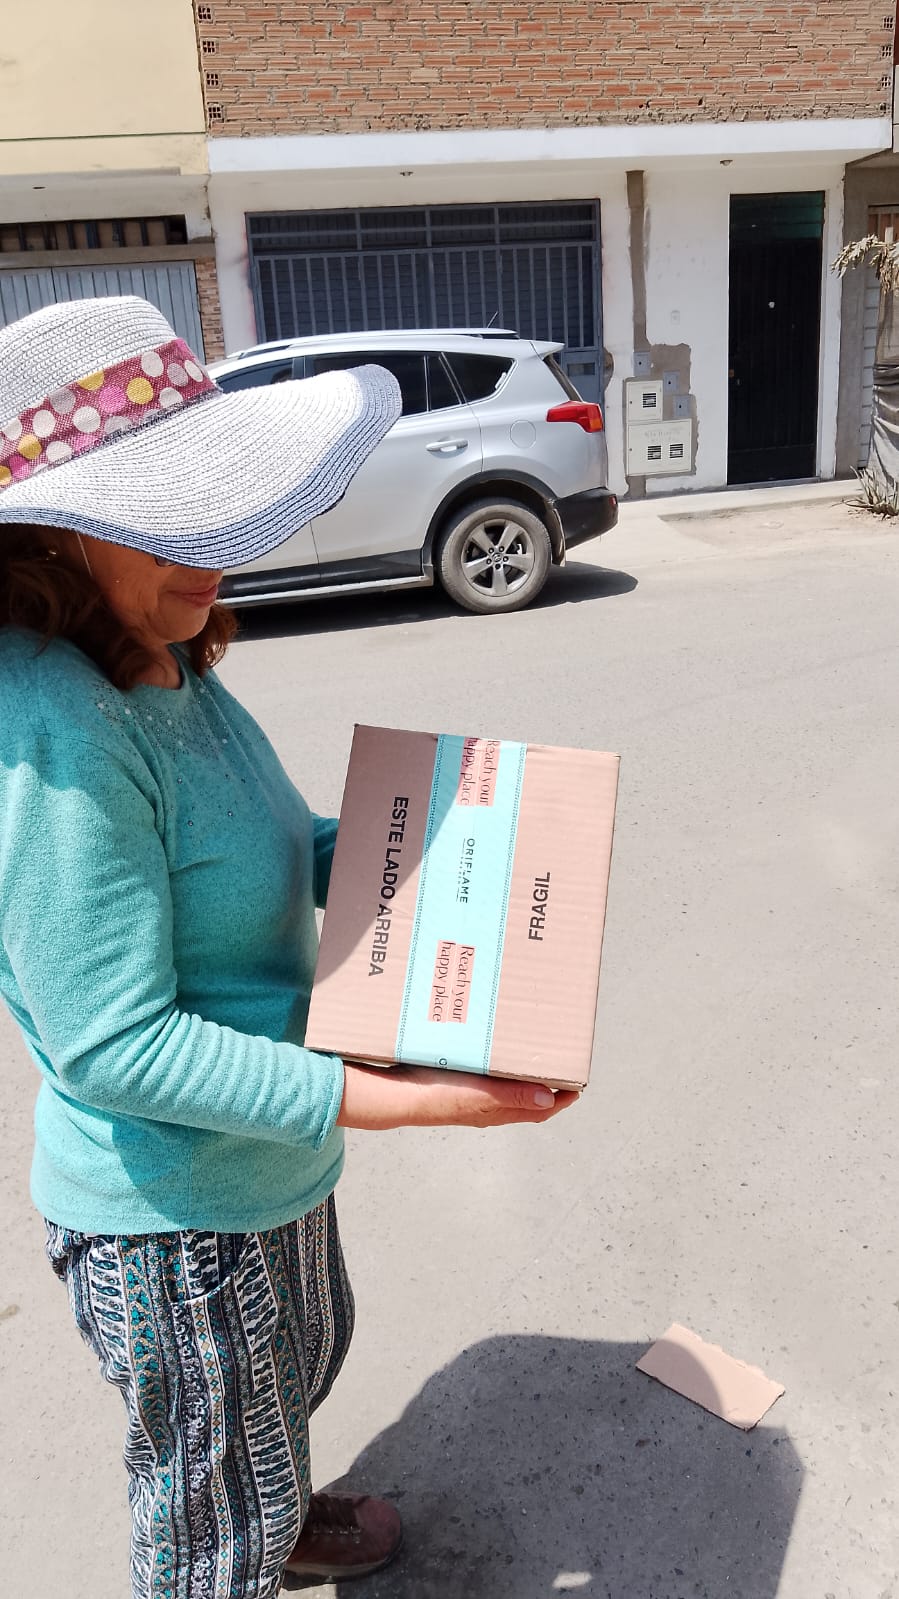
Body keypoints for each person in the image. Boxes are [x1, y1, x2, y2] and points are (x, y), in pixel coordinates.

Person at [0, 296, 576, 1599]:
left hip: (266, 1162)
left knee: (290, 1377)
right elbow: (115, 1047)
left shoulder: (161, 654)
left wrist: (476, 852)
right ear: (46, 534)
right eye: (157, 517)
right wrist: (418, 1100)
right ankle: (244, 1542)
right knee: (206, 1512)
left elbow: (272, 844)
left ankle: (279, 1509)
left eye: (211, 505)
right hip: (175, 1218)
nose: (209, 546)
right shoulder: (53, 726)